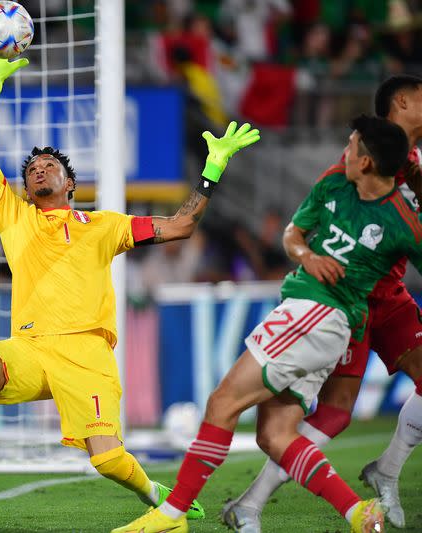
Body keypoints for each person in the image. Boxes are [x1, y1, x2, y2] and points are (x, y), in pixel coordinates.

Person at [0, 38, 260, 527]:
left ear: (69, 183)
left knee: (107, 461)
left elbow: (179, 227)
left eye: (50, 166)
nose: (39, 169)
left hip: (88, 355)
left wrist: (212, 169)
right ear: (26, 189)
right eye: (32, 170)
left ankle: (155, 492)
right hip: (30, 348)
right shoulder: (15, 218)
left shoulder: (105, 225)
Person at [112, 114, 419, 533]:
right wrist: (308, 256)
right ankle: (356, 512)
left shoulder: (404, 223)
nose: (344, 152)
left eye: (351, 146)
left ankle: (172, 514)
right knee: (275, 434)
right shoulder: (334, 183)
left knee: (222, 404)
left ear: (366, 162)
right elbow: (293, 234)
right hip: (314, 319)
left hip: (317, 315)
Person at [223, 75, 422, 532]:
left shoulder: (413, 162)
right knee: (334, 411)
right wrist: (309, 259)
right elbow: (318, 222)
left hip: (390, 295)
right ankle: (251, 503)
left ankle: (387, 469)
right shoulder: (358, 158)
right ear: (404, 102)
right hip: (347, 299)